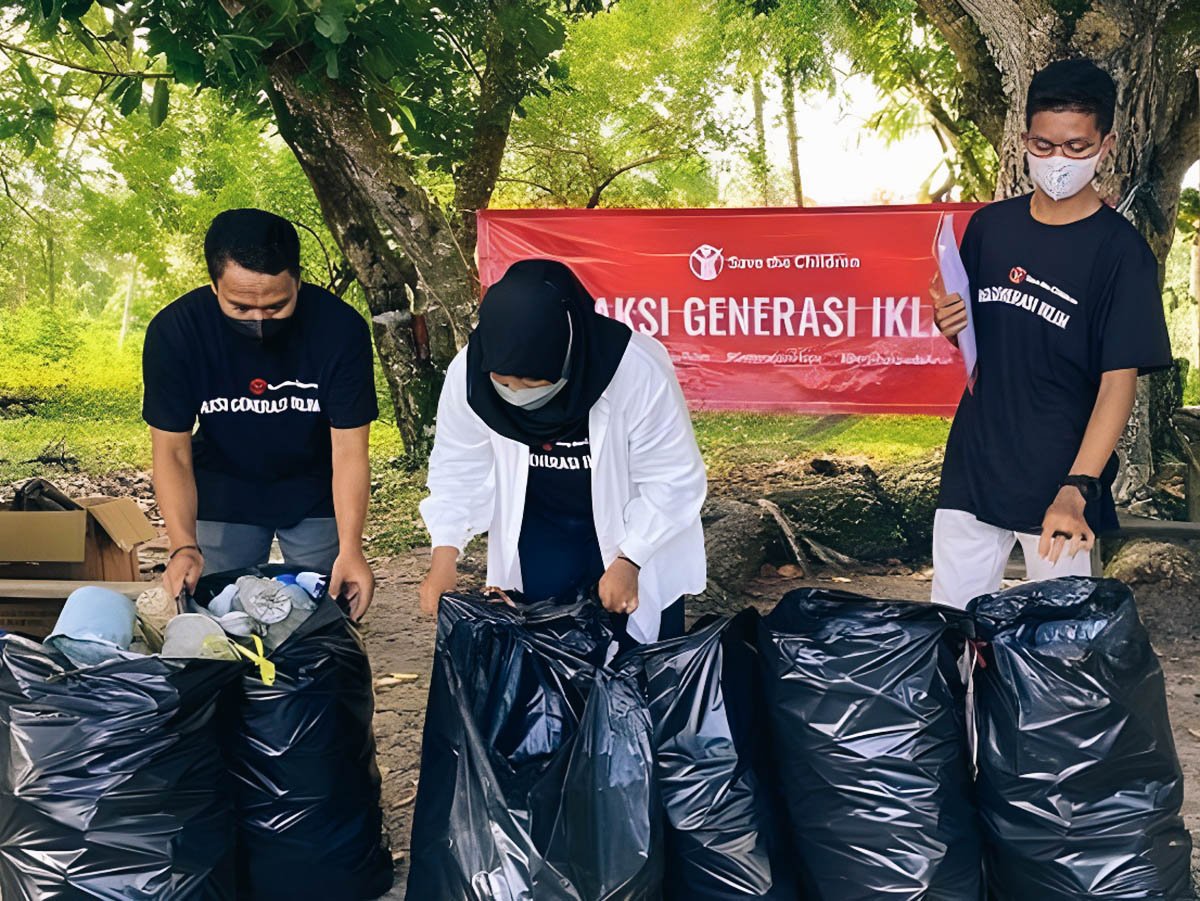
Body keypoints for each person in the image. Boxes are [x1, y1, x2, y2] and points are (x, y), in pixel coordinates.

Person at [930, 59, 1172, 608]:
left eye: (1076, 147)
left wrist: (1078, 487)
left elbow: (1119, 384)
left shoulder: (1121, 254)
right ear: (1024, 140)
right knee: (953, 633)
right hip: (974, 465)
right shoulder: (991, 228)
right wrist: (950, 325)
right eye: (1043, 146)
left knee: (1056, 654)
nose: (1057, 161)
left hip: (1060, 481)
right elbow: (979, 341)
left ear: (1105, 145)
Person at [418, 258, 707, 643]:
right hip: (540, 533)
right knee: (544, 667)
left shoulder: (633, 369)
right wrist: (445, 556)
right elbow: (458, 468)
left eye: (533, 380)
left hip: (633, 531)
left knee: (638, 673)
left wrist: (631, 558)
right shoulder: (468, 376)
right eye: (505, 382)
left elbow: (672, 478)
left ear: (565, 351)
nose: (518, 392)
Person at [143, 208, 379, 619]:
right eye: (240, 308)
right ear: (214, 285)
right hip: (223, 483)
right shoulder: (176, 332)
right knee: (220, 616)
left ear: (298, 281)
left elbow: (349, 449)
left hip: (314, 486)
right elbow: (171, 451)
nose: (258, 320)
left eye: (275, 307)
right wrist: (182, 545)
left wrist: (352, 548)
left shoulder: (340, 330)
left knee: (321, 616)